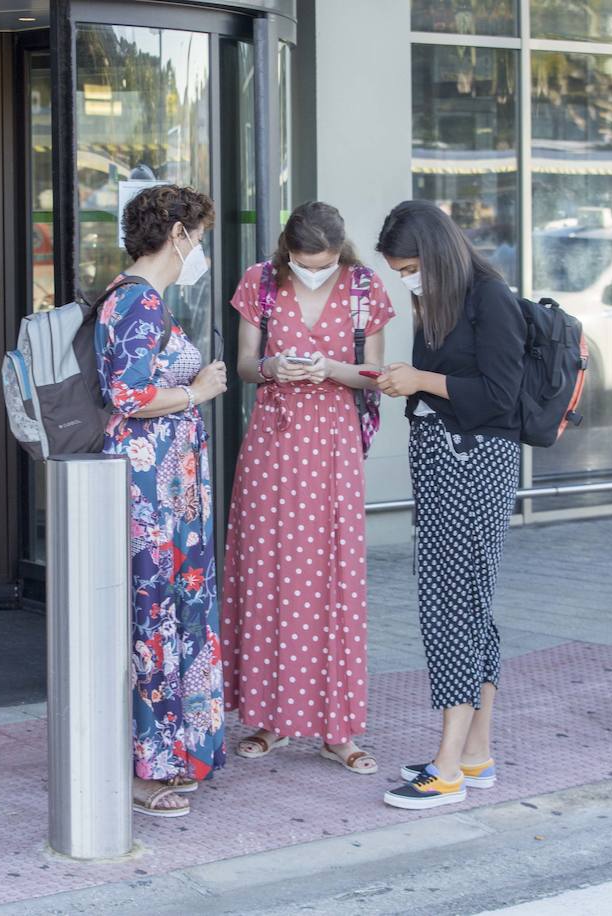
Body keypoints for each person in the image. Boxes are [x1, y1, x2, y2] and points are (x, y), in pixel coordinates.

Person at [221, 201, 394, 775]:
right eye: (299, 261)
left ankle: (337, 728)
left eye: (319, 262)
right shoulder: (260, 282)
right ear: (285, 250)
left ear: (340, 252)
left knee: (332, 577)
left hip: (334, 451)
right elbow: (244, 364)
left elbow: (376, 373)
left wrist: (329, 370)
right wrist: (272, 368)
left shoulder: (366, 289)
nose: (308, 269)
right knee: (268, 573)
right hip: (272, 446)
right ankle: (267, 720)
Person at [373, 200, 524, 810]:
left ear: (434, 255)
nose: (406, 278)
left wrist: (421, 381)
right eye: (398, 269)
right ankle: (474, 754)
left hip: (472, 463)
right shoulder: (442, 300)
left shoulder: (490, 298)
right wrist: (406, 379)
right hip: (445, 461)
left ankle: (446, 768)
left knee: (451, 603)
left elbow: (499, 393)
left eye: (410, 267)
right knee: (469, 602)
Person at [97, 184, 228, 818]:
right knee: (154, 619)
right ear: (177, 234)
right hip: (150, 490)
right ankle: (147, 766)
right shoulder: (140, 303)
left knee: (163, 614)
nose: (198, 248)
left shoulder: (137, 299)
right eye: (197, 235)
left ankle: (167, 753)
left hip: (163, 487)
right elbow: (127, 395)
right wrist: (197, 391)